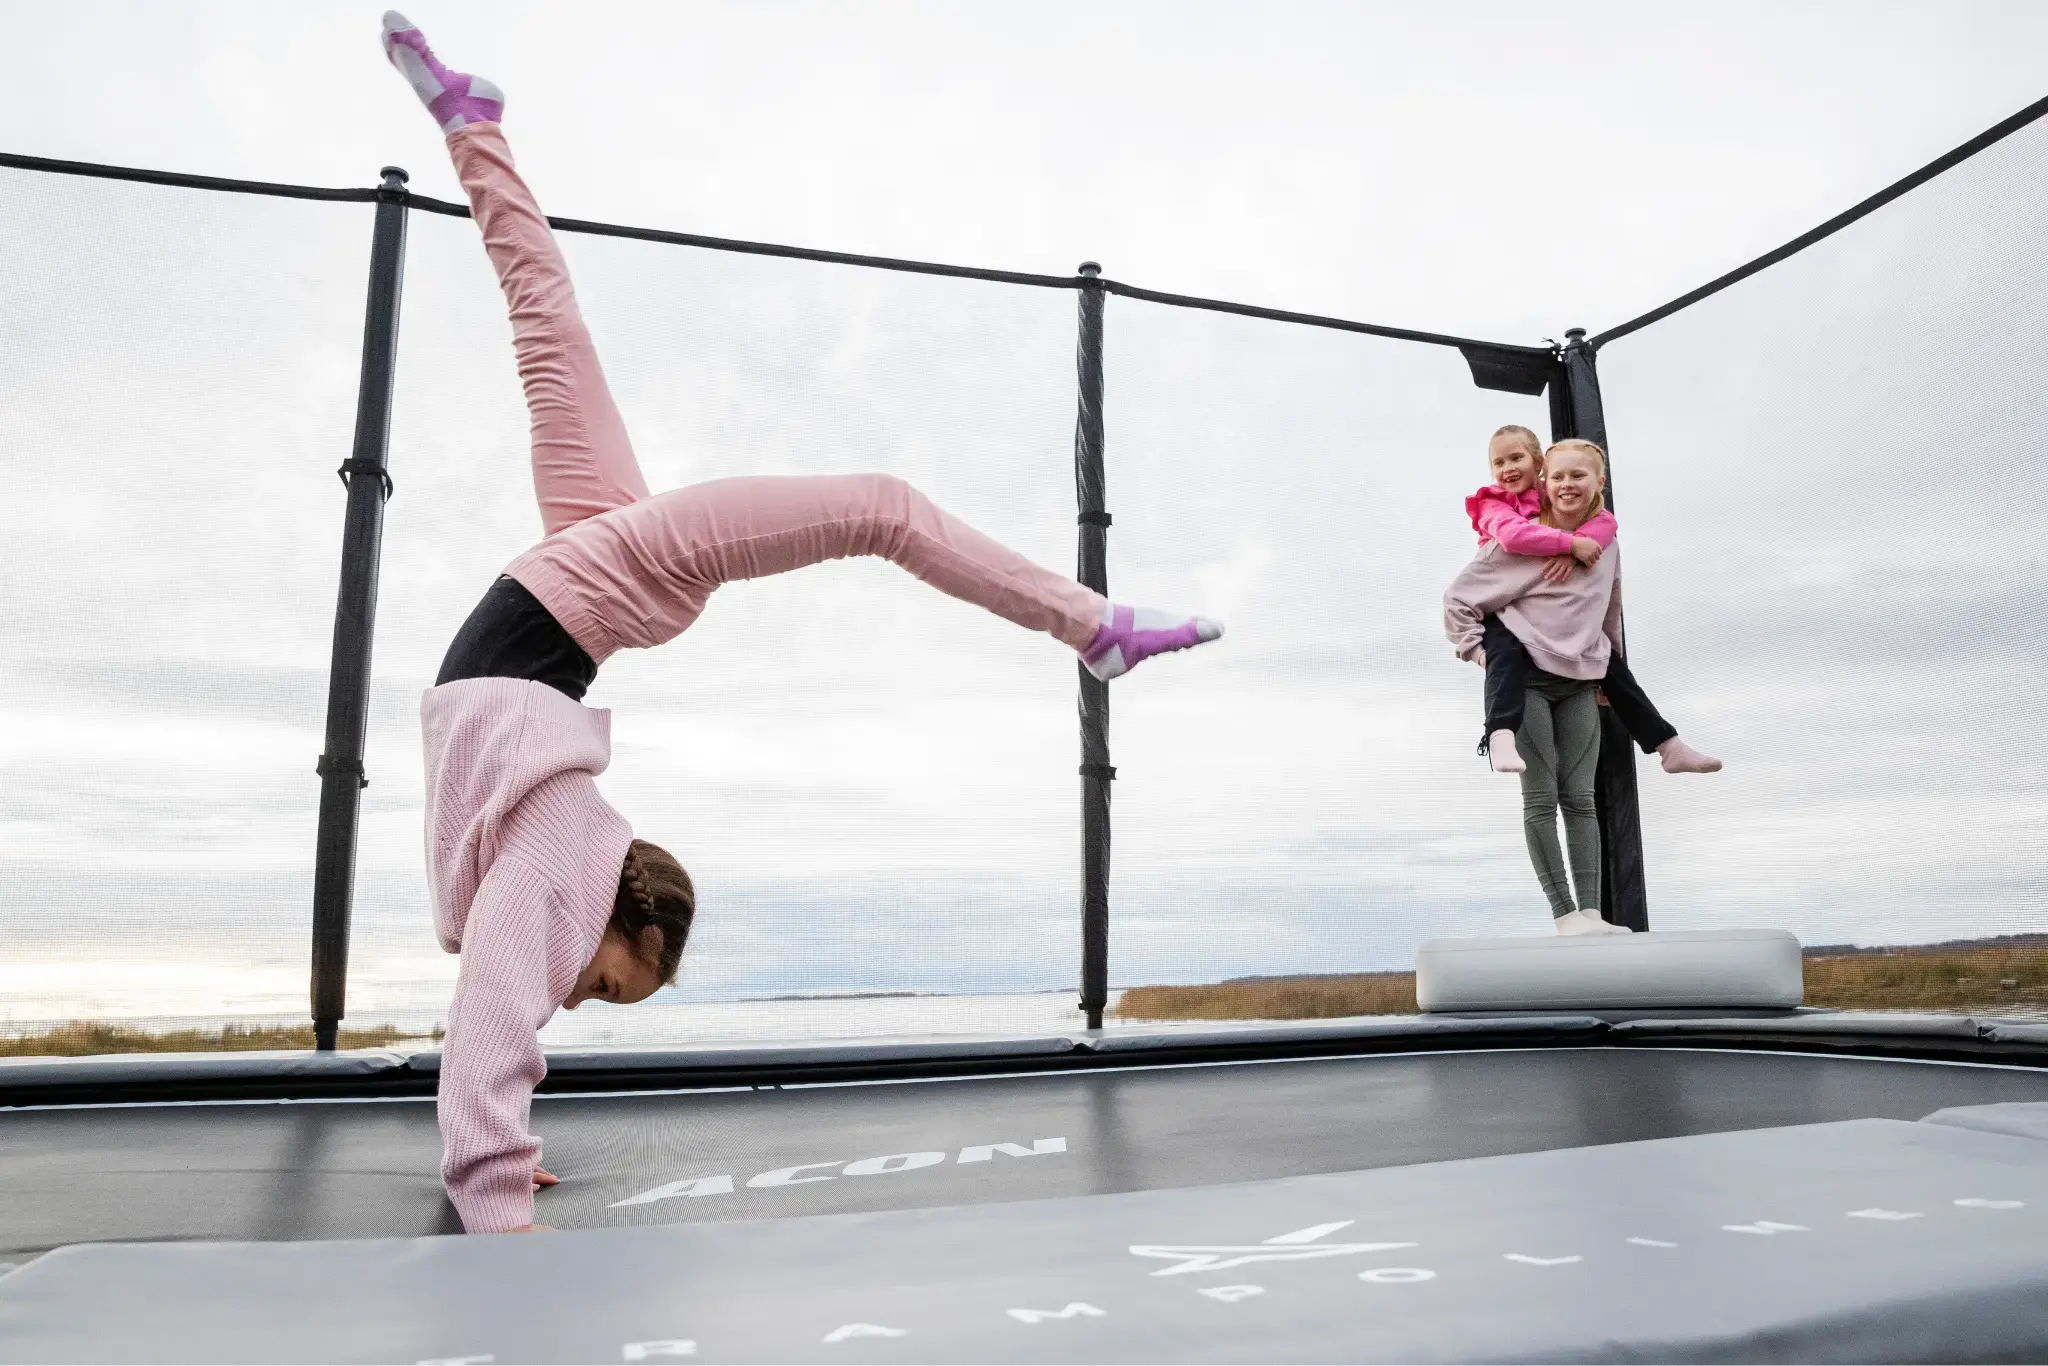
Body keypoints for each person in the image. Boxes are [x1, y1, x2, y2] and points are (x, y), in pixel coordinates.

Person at [381, 13, 1223, 1233]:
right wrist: (498, 1185)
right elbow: (501, 1009)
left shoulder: (555, 848)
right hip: (592, 588)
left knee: (550, 333)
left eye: (605, 999)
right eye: (614, 985)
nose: (587, 999)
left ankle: (475, 125)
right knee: (856, 494)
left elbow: (496, 1010)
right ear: (619, 913)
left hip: (580, 594)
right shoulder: (561, 850)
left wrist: (499, 1162)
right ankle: (1088, 627)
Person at [1446, 440, 1630, 936]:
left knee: (1582, 798)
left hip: (1578, 683)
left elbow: (1607, 608)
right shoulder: (1515, 541)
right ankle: (1564, 914)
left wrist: (1609, 669)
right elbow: (1458, 600)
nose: (1567, 484)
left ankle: (1591, 915)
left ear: (1598, 484)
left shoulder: (1603, 543)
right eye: (1558, 476)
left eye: (1580, 476)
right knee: (1541, 798)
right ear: (1543, 481)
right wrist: (1480, 653)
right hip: (1526, 683)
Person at [1463, 424, 1720, 777]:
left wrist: (1579, 549)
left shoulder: (1547, 493)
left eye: (1516, 458)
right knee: (1504, 656)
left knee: (1610, 662)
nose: (1507, 468)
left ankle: (1668, 746)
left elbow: (1606, 522)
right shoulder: (1494, 502)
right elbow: (1512, 537)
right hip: (1504, 603)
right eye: (1499, 462)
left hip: (1544, 605)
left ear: (1537, 464)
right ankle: (1499, 733)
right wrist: (1570, 546)